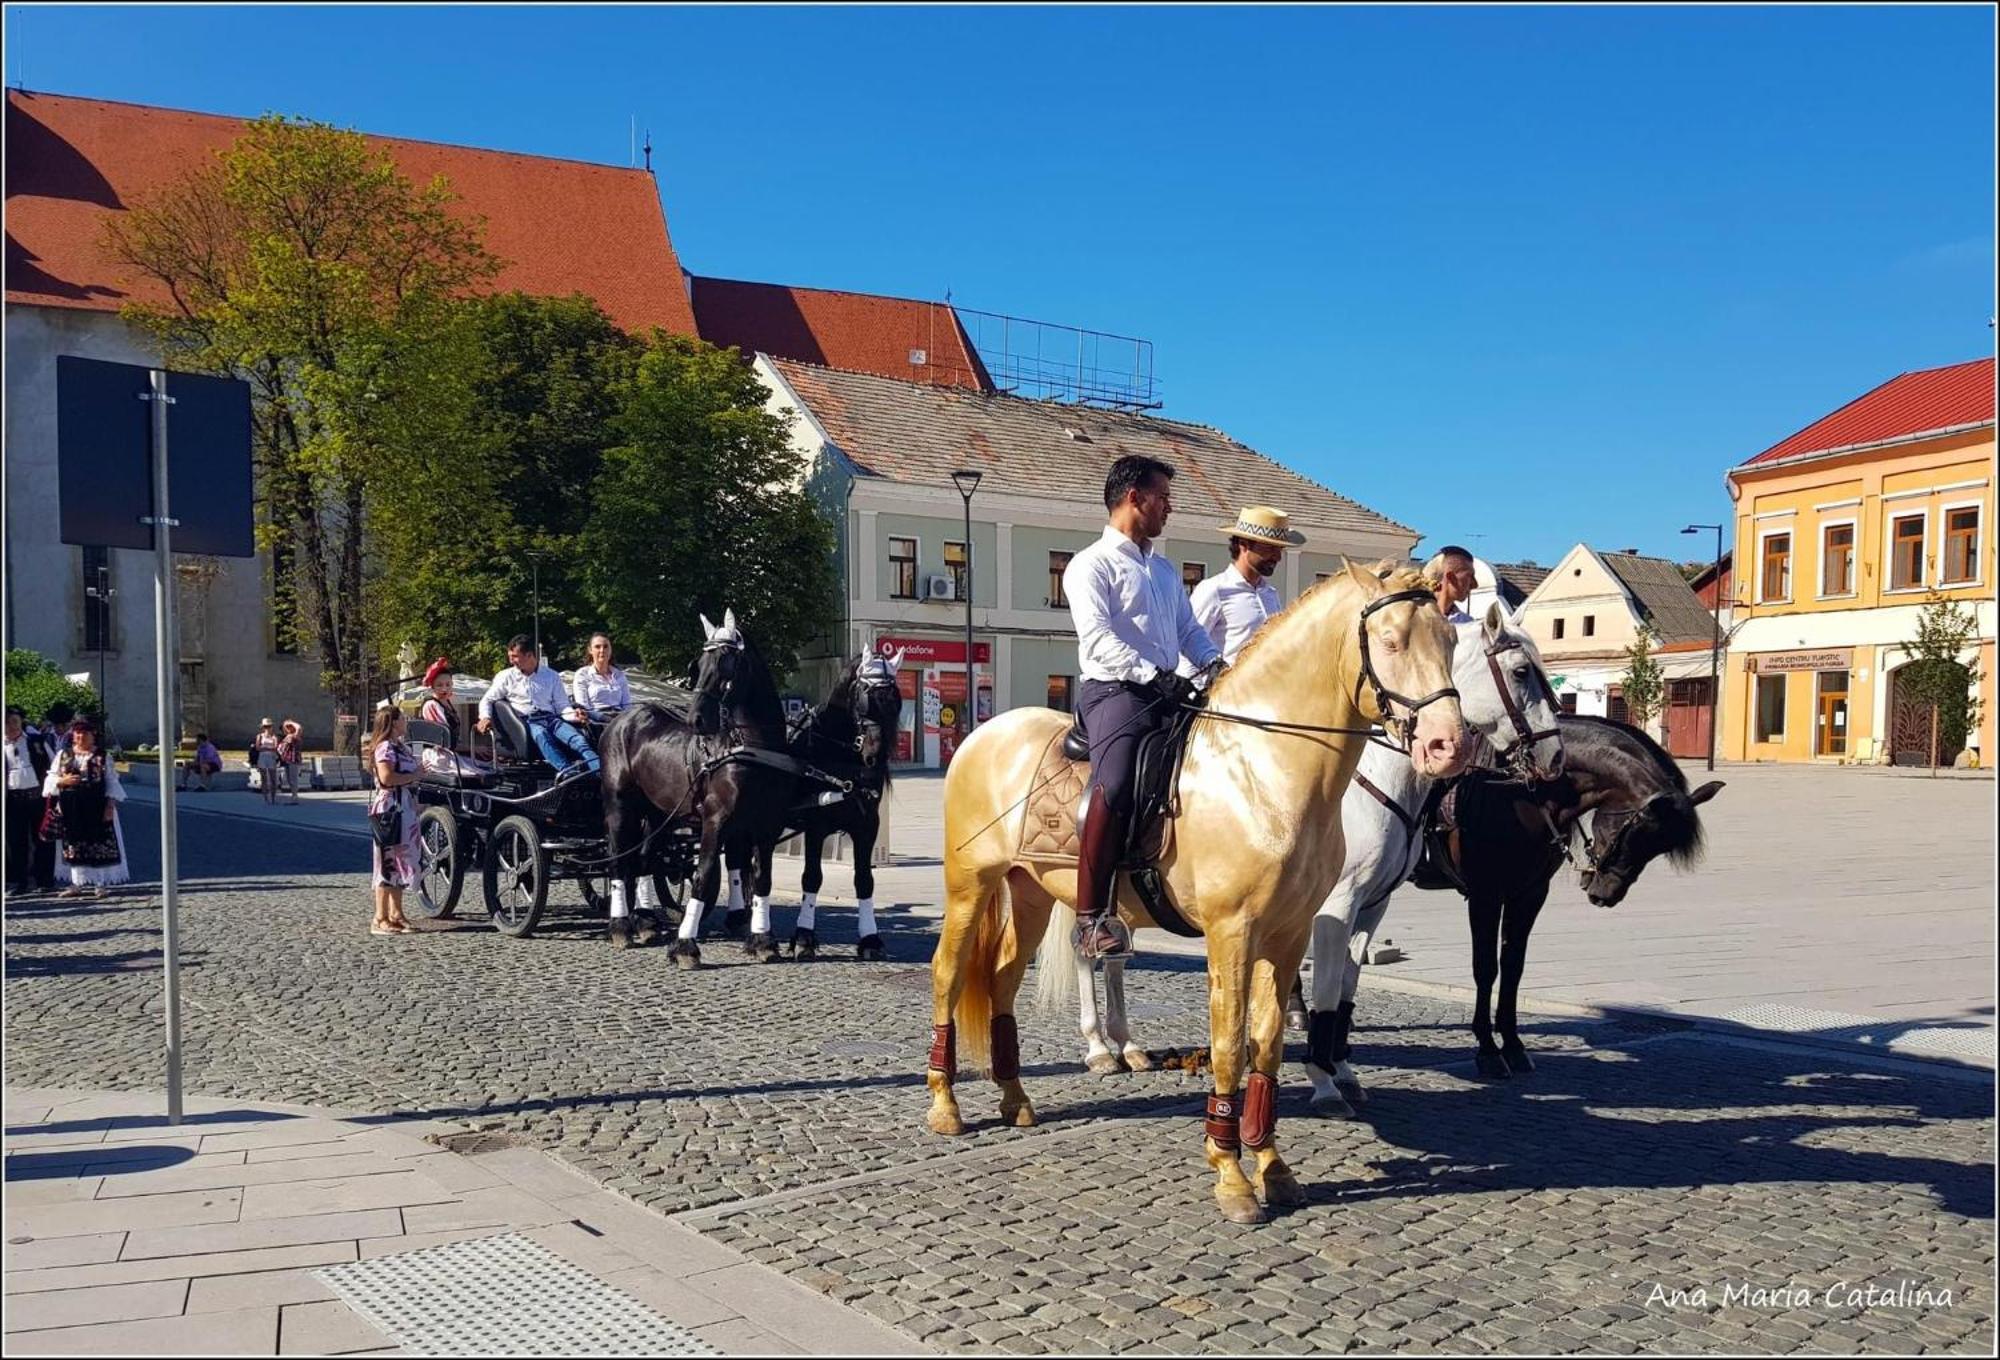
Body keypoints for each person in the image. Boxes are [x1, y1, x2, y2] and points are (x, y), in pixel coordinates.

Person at [1064, 454, 1225, 960]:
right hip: (1114, 692)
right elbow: (1098, 638)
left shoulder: (1162, 569)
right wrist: (1153, 674)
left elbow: (1188, 631)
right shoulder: (1091, 564)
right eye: (1163, 498)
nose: (1169, 508)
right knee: (1113, 784)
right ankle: (1090, 918)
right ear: (1134, 498)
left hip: (1167, 690)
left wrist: (1214, 665)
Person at [1180, 506, 1302, 673]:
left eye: (1280, 549)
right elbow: (1187, 643)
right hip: (1221, 695)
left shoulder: (1271, 595)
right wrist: (1197, 695)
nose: (1278, 557)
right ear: (1244, 545)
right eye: (1270, 548)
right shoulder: (1215, 590)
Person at [477, 635, 601, 781]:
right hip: (528, 722)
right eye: (510, 656)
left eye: (515, 656)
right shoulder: (505, 677)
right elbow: (487, 699)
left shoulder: (551, 676)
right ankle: (569, 774)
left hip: (552, 719)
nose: (511, 661)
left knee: (578, 740)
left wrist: (575, 715)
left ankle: (601, 774)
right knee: (542, 735)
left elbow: (562, 706)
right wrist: (485, 717)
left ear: (529, 655)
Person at [42, 717, 129, 898]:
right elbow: (51, 777)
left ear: (92, 735)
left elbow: (111, 781)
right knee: (73, 843)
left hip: (96, 805)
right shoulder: (63, 755)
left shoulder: (102, 756)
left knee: (97, 842)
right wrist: (62, 781)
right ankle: (76, 883)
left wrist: (110, 806)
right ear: (73, 735)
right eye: (78, 733)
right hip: (71, 806)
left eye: (85, 733)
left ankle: (100, 884)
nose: (81, 736)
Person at [367, 703, 420, 935]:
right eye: (403, 718)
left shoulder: (400, 746)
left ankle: (396, 913)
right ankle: (380, 917)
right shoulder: (385, 747)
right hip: (390, 807)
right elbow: (387, 777)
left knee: (400, 862)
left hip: (403, 805)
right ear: (393, 722)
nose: (406, 722)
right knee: (387, 861)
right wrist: (414, 776)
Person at [5, 707, 53, 897]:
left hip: (37, 798)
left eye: (14, 721)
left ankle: (45, 881)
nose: (10, 725)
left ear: (21, 723)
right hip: (13, 800)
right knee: (16, 843)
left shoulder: (36, 741)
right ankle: (19, 882)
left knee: (42, 839)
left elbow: (53, 766)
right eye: (6, 721)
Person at [570, 632, 632, 727]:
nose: (602, 650)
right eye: (597, 647)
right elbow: (583, 707)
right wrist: (606, 719)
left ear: (610, 650)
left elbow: (627, 705)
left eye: (606, 646)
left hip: (620, 719)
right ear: (590, 650)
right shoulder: (582, 674)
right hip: (597, 720)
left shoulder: (619, 675)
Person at [1426, 545, 1478, 625]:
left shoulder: (1468, 624)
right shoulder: (1414, 619)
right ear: (1450, 577)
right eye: (1469, 576)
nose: (1475, 585)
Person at [249, 718, 283, 805]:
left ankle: (273, 798)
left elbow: (276, 747)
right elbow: (257, 747)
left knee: (273, 778)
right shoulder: (260, 736)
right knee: (264, 778)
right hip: (262, 757)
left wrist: (265, 748)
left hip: (271, 757)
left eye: (269, 726)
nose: (267, 728)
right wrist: (267, 748)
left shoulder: (274, 737)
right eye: (265, 727)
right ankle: (266, 798)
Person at [276, 720, 304, 804]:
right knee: (289, 779)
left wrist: (291, 723)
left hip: (293, 760)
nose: (285, 729)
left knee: (293, 779)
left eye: (288, 727)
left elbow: (299, 728)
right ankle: (293, 795)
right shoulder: (286, 737)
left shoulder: (295, 736)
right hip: (287, 760)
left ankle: (295, 797)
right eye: (285, 728)